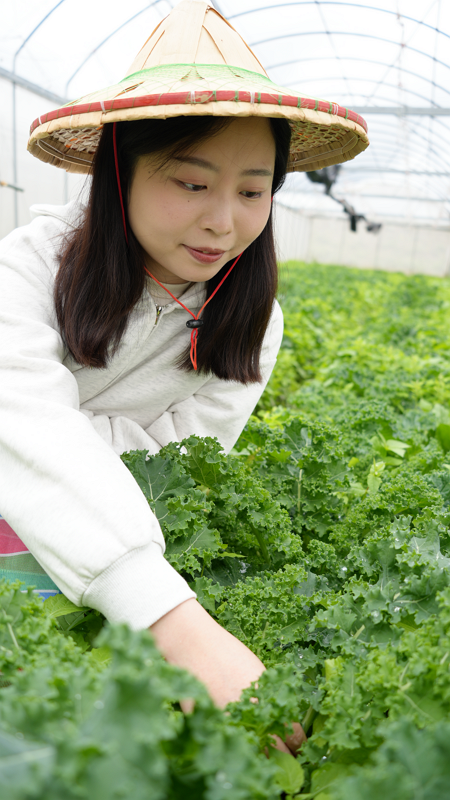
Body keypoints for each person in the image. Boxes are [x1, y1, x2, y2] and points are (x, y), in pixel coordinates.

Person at [0, 0, 368, 753]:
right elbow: (21, 416)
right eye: (192, 184)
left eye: (251, 190)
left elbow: (174, 470)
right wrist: (180, 628)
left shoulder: (254, 326)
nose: (223, 223)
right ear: (119, 172)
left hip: (95, 559)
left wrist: (63, 436)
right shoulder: (27, 269)